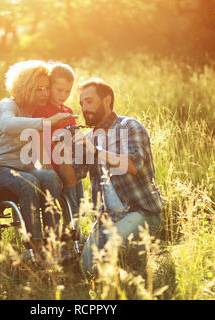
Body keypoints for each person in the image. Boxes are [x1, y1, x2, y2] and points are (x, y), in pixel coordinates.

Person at [61, 78, 164, 276]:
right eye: (82, 103)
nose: (84, 108)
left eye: (89, 101)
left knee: (108, 252)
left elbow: (133, 165)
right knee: (88, 270)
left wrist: (95, 150)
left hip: (141, 212)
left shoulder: (129, 126)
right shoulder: (89, 138)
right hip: (107, 219)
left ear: (107, 100)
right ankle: (131, 262)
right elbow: (71, 179)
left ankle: (134, 266)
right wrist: (63, 150)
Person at [0, 60, 77, 256]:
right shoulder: (7, 105)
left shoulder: (37, 111)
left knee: (49, 177)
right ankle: (36, 248)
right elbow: (7, 125)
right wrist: (46, 122)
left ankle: (53, 241)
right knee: (28, 181)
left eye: (47, 88)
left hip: (21, 168)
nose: (45, 94)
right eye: (39, 89)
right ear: (25, 88)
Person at [31, 62, 84, 219]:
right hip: (56, 166)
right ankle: (69, 234)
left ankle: (75, 231)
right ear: (50, 86)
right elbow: (40, 142)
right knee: (68, 203)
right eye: (59, 90)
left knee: (78, 205)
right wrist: (50, 171)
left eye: (67, 91)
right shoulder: (42, 110)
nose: (63, 95)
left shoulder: (68, 111)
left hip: (72, 165)